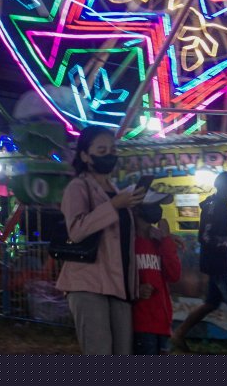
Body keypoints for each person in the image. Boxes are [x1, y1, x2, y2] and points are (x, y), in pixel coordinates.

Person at [54, 125, 145, 355]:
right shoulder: (78, 186)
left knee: (123, 351)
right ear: (85, 155)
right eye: (102, 150)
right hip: (88, 282)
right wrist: (114, 206)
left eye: (113, 150)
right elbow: (76, 230)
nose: (109, 155)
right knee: (99, 351)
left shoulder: (116, 190)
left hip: (119, 282)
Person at [172, 171, 227, 352]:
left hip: (216, 263)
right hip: (218, 264)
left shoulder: (218, 205)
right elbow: (205, 236)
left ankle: (179, 332)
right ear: (226, 187)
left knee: (211, 303)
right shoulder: (215, 207)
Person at [131, 192, 182, 354]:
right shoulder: (126, 244)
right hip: (140, 322)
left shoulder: (160, 241)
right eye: (152, 206)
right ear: (136, 210)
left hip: (162, 321)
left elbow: (174, 275)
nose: (157, 210)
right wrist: (136, 290)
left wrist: (166, 238)